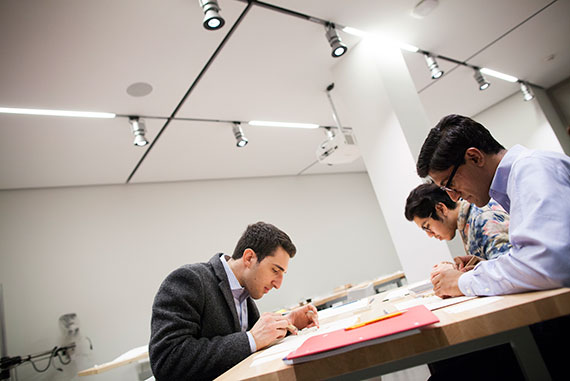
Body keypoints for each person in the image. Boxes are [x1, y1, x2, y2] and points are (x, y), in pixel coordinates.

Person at [416, 114, 570, 298]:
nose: (454, 197)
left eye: (450, 184)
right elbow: (537, 255)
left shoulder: (531, 170)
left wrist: (460, 282)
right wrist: (486, 267)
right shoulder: (518, 179)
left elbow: (551, 263)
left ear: (474, 157)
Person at [149, 222, 319, 380]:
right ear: (249, 258)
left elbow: (241, 343)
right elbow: (167, 362)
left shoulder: (243, 293)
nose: (278, 284)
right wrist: (251, 339)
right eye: (275, 270)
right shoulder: (190, 280)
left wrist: (288, 322)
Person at [405, 183, 511, 270]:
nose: (430, 235)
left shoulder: (482, 218)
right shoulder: (466, 221)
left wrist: (459, 280)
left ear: (441, 209)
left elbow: (508, 270)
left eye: (427, 227)